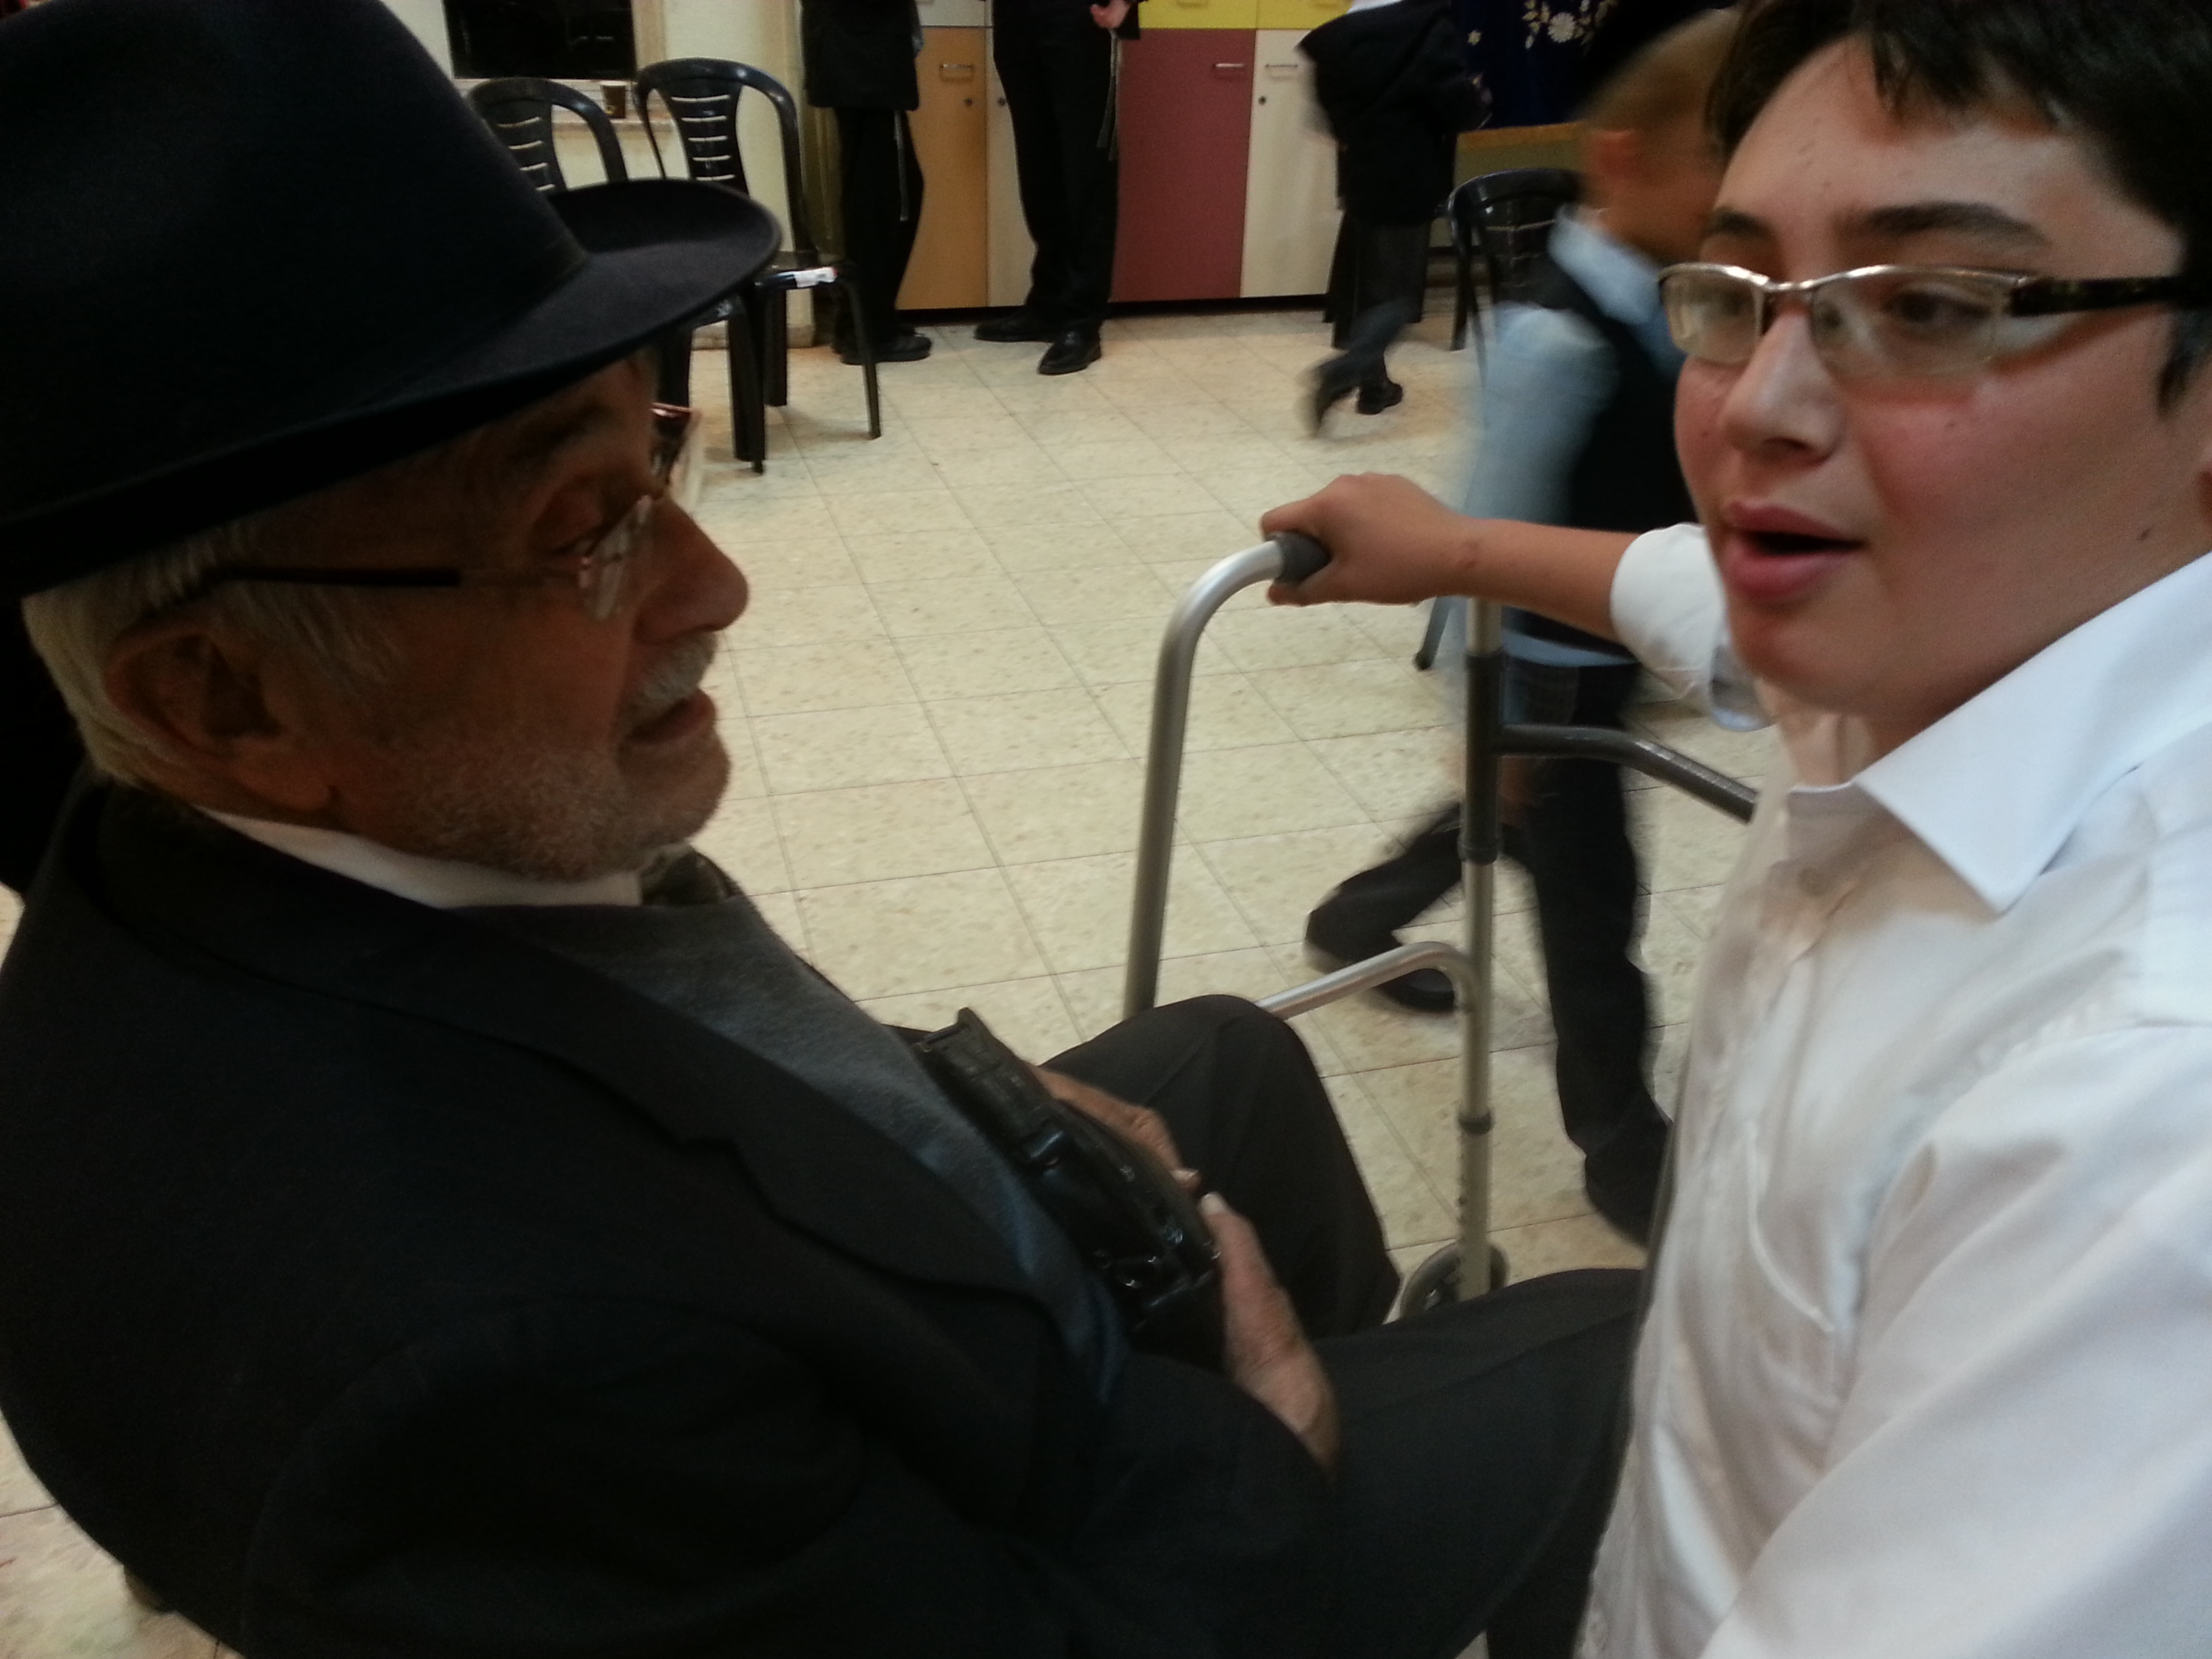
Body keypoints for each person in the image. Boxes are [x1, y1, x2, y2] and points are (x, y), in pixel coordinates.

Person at [0, 2, 1639, 1656]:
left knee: (1238, 1054)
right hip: (1020, 1530)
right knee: (1605, 1352)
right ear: (224, 696)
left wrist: (962, 1102)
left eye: (654, 459)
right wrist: (1273, 1450)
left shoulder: (217, 839)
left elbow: (680, 1052)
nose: (713, 587)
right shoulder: (466, 1363)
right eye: (579, 532)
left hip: (866, 1330)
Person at [1265, 0, 2212, 1650]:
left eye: (1928, 305)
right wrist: (1460, 550)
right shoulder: (1959, 623)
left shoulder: (2140, 1114)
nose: (1756, 406)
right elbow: (1692, 585)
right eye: (1735, 291)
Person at [1305, 10, 1737, 1248]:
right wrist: (1484, 715)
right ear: (1623, 160)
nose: (1727, 201)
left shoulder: (1669, 301)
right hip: (1539, 673)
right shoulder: (1554, 333)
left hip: (1597, 654)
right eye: (1710, 167)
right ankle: (1620, 1146)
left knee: (1510, 832)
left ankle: (1354, 920)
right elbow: (1482, 531)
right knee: (1591, 913)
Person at [1302, 0, 1490, 427]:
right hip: (1408, 173)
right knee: (1398, 296)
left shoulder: (1348, 27)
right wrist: (1478, 100)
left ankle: (1375, 388)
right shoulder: (1427, 28)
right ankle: (1344, 370)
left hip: (1359, 171)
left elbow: (1328, 110)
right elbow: (1456, 104)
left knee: (1369, 285)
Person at [973, 0, 1141, 375]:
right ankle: (1049, 304)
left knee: (1087, 175)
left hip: (1081, 18)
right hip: (1017, 19)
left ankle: (1083, 321)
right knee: (1039, 172)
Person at [798, 0, 934, 365]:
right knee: (884, 198)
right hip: (866, 57)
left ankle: (861, 321)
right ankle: (870, 331)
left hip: (855, 50)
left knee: (875, 191)